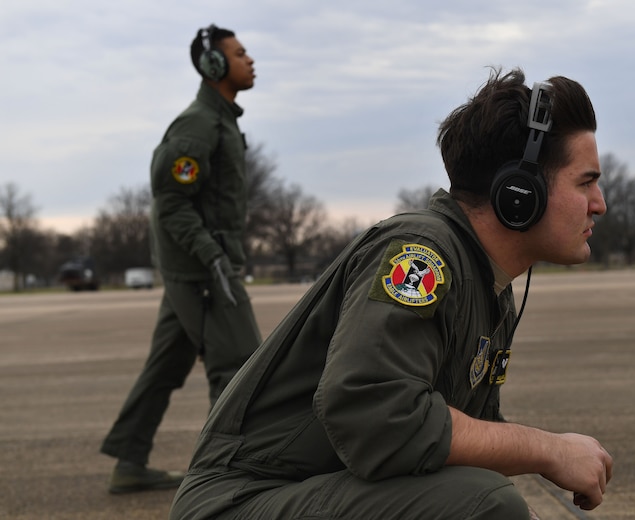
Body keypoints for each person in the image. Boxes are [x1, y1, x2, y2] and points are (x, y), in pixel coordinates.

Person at [169, 67, 612, 519]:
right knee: (483, 502)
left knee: (480, 492)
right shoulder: (420, 255)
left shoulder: (487, 286)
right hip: (240, 503)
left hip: (305, 495)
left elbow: (446, 443)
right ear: (520, 193)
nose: (599, 202)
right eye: (585, 181)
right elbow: (377, 418)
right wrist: (548, 449)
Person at [100, 24, 262, 494]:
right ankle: (222, 479)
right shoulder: (198, 124)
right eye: (239, 53)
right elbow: (170, 200)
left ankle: (129, 461)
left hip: (195, 270)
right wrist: (212, 257)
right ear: (214, 65)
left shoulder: (222, 121)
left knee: (166, 367)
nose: (250, 60)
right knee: (239, 368)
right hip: (201, 272)